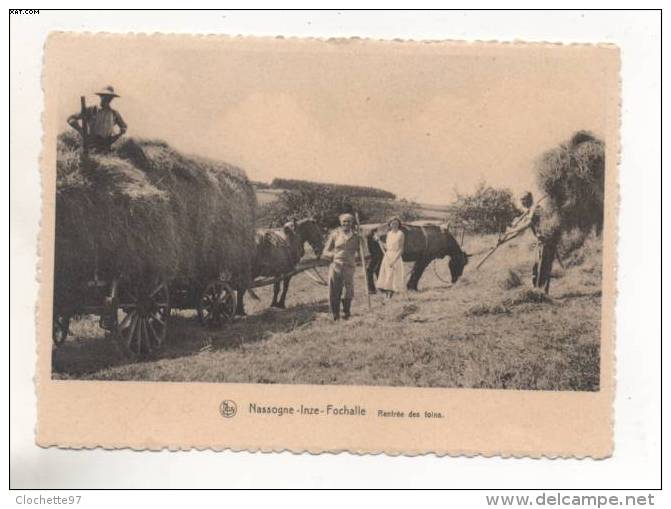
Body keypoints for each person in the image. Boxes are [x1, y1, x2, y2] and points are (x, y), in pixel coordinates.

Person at [322, 213, 360, 320]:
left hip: (349, 266)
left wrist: (362, 242)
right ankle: (335, 314)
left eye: (348, 221)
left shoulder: (356, 236)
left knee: (348, 290)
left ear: (352, 223)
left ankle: (346, 313)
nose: (346, 223)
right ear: (340, 223)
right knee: (334, 290)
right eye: (344, 221)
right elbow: (325, 251)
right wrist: (332, 255)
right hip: (335, 266)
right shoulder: (335, 235)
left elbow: (362, 252)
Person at [67, 86, 127, 153]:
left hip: (106, 148)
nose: (108, 99)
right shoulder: (91, 109)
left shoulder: (114, 113)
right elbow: (70, 119)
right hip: (91, 147)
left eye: (110, 97)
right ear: (101, 96)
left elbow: (124, 126)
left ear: (112, 98)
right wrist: (82, 132)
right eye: (105, 96)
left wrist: (119, 134)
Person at [375, 216, 406, 298]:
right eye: (393, 223)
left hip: (395, 257)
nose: (394, 225)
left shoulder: (400, 234)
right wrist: (379, 241)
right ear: (390, 224)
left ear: (399, 224)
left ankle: (391, 294)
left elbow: (401, 249)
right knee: (386, 275)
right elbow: (387, 246)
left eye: (396, 223)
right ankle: (387, 295)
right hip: (387, 256)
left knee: (393, 276)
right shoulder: (389, 233)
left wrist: (394, 260)